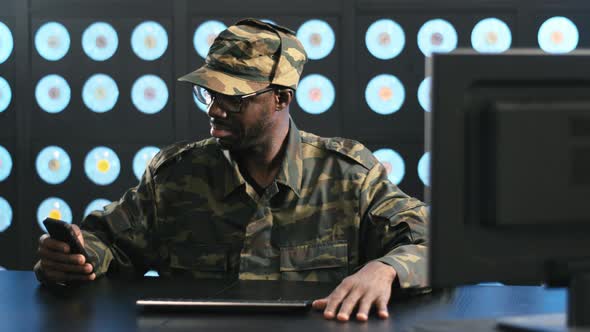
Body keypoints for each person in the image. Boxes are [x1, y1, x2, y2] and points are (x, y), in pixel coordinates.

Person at [34, 18, 429, 322]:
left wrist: (386, 269)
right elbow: (110, 243)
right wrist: (75, 256)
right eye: (209, 92)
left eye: (234, 97)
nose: (214, 109)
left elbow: (435, 245)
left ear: (281, 98)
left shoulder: (349, 176)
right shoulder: (176, 177)